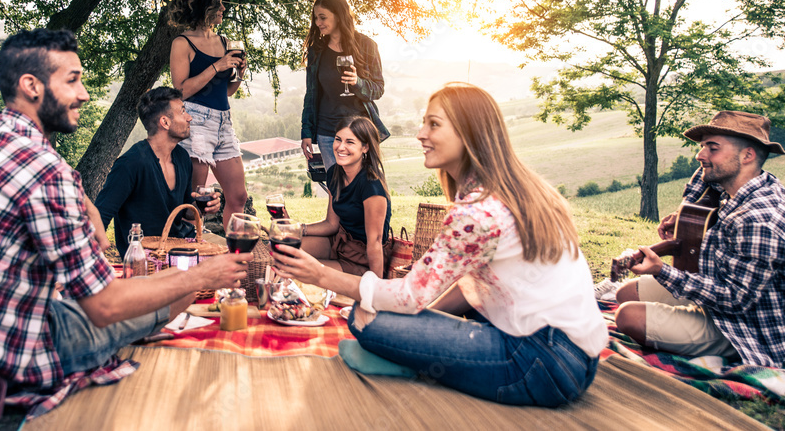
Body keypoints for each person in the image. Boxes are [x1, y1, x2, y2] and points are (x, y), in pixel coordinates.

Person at [0, 29, 252, 391]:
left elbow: (92, 233)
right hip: (4, 354)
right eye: (72, 81)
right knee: (181, 288)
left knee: (164, 281)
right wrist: (202, 277)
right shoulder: (47, 170)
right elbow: (104, 307)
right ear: (31, 85)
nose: (84, 94)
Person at [274, 83, 606, 407]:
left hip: (539, 364)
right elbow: (467, 285)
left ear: (469, 133)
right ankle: (414, 352)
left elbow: (407, 297)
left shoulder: (477, 212)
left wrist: (318, 275)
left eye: (433, 124)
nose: (420, 133)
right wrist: (420, 321)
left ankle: (406, 360)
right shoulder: (510, 191)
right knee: (387, 313)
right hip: (577, 357)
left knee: (363, 317)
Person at [614, 111, 785, 368]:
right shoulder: (745, 182)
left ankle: (725, 354)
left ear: (748, 156)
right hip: (714, 286)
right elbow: (701, 183)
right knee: (624, 292)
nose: (700, 155)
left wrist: (662, 271)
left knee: (627, 316)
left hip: (745, 326)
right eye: (703, 146)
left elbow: (736, 300)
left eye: (712, 148)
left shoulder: (759, 221)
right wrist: (682, 214)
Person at [95, 87, 221, 255]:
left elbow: (186, 213)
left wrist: (201, 206)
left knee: (235, 257)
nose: (189, 117)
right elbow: (101, 215)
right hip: (147, 255)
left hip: (181, 245)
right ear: (165, 122)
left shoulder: (182, 157)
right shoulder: (130, 163)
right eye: (182, 112)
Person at [169, 0, 248, 231]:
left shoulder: (225, 42)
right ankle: (190, 257)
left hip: (224, 121)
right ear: (204, 6)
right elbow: (180, 90)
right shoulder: (182, 43)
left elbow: (226, 91)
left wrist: (239, 74)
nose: (224, 9)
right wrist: (217, 66)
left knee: (238, 197)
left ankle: (232, 256)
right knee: (196, 205)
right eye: (218, 4)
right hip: (196, 121)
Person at [300, 0, 388, 170]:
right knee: (337, 191)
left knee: (367, 188)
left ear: (339, 16)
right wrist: (306, 132)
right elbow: (311, 94)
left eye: (323, 17)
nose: (318, 23)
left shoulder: (367, 46)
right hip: (328, 132)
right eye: (316, 18)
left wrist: (358, 82)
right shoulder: (316, 51)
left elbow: (378, 89)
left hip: (360, 132)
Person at [299, 115, 392, 277]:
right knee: (285, 249)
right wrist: (298, 229)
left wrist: (376, 288)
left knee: (303, 271)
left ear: (365, 147)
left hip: (362, 257)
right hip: (339, 244)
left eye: (350, 142)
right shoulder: (334, 173)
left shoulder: (371, 185)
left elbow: (375, 242)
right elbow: (331, 224)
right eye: (338, 139)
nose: (341, 147)